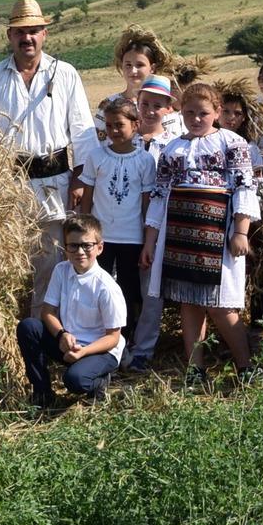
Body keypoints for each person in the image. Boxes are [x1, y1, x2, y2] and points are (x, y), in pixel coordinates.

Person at [0, 0, 95, 312]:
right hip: (6, 188)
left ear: (44, 34)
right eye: (20, 32)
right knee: (7, 264)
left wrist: (81, 179)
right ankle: (9, 330)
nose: (27, 38)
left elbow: (83, 132)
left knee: (50, 266)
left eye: (34, 30)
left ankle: (42, 331)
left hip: (55, 185)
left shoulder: (65, 74)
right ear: (9, 35)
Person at [141, 81, 259, 379]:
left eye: (203, 113)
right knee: (189, 301)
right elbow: (159, 195)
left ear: (217, 112)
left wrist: (241, 231)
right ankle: (195, 368)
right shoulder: (172, 148)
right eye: (189, 112)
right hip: (179, 234)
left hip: (219, 232)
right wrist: (150, 241)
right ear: (180, 112)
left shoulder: (232, 143)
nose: (195, 119)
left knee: (221, 305)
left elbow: (244, 187)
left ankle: (245, 366)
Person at [78, 97, 159, 372]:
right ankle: (98, 342)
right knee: (99, 288)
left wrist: (147, 236)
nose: (114, 130)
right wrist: (86, 230)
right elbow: (87, 196)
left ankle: (125, 343)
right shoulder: (97, 156)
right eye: (109, 125)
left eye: (120, 125)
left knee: (127, 291)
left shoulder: (145, 160)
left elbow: (147, 201)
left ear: (135, 125)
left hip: (131, 237)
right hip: (102, 237)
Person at [18, 214, 127, 408]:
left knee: (74, 381)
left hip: (100, 350)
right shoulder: (61, 270)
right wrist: (61, 334)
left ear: (99, 247)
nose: (80, 252)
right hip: (69, 343)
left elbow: (113, 337)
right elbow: (47, 311)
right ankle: (42, 393)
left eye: (87, 245)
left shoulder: (106, 287)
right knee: (28, 327)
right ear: (65, 247)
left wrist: (84, 352)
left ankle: (100, 381)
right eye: (73, 246)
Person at [108, 29, 173, 112]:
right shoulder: (109, 104)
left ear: (152, 68)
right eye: (128, 65)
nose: (133, 71)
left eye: (139, 65)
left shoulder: (163, 107)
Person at [134, 74, 183, 146]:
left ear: (168, 108)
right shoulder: (126, 138)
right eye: (145, 104)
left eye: (157, 106)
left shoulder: (173, 143)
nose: (150, 112)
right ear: (138, 103)